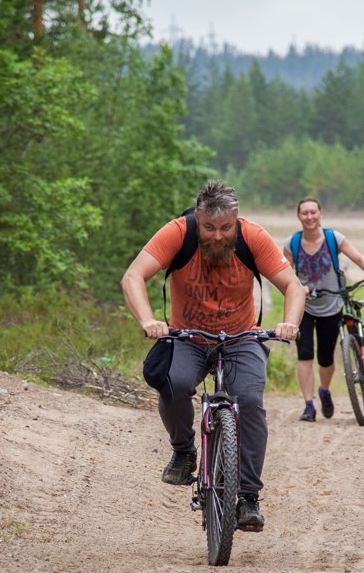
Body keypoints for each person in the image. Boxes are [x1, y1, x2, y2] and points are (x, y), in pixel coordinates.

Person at [120, 181, 305, 533]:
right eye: (209, 227)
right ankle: (185, 450)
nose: (217, 237)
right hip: (186, 336)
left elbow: (292, 286)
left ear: (236, 220)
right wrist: (148, 320)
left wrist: (289, 323)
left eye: (225, 228)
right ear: (198, 218)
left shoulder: (253, 237)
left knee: (249, 401)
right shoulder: (178, 233)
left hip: (241, 337)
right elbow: (133, 277)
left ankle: (248, 496)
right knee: (174, 383)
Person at [284, 196, 364, 422]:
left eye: (313, 212)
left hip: (332, 306)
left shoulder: (334, 238)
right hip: (304, 307)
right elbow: (283, 273)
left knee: (326, 359)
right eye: (305, 213)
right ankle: (309, 405)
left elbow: (358, 257)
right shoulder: (291, 243)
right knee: (304, 356)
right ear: (299, 216)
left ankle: (324, 390)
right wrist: (299, 288)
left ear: (320, 213)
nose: (309, 217)